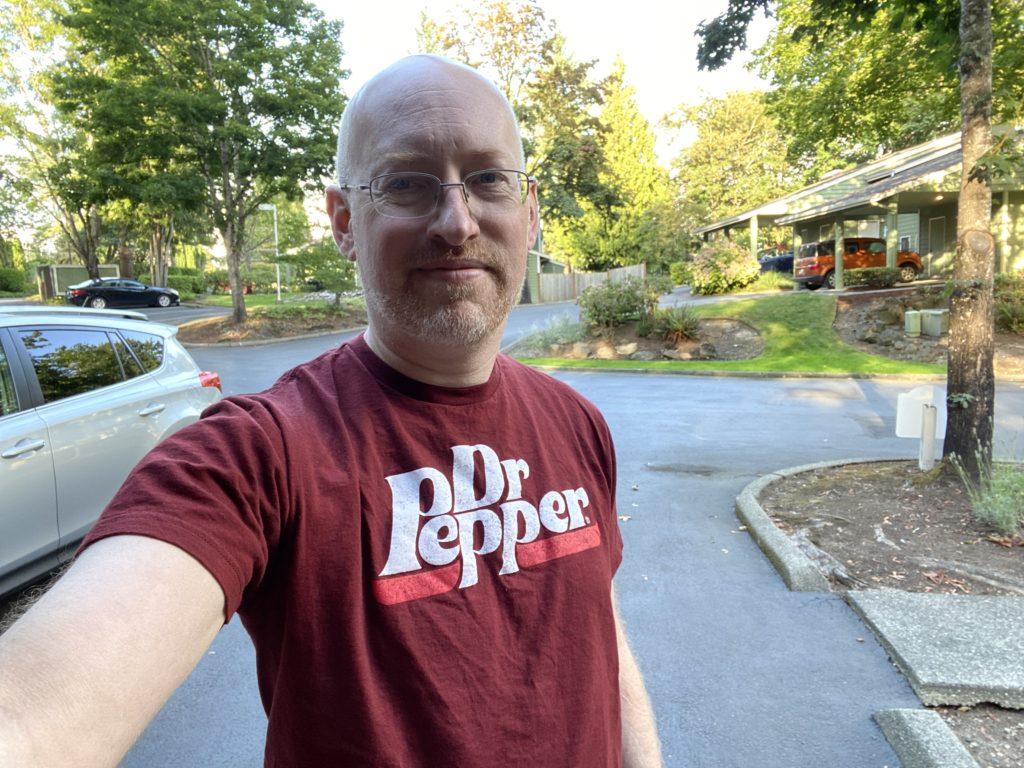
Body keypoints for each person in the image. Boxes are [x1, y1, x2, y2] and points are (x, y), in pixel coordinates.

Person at [0, 55, 663, 767]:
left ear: (528, 213)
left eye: (488, 179)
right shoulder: (261, 455)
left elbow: (601, 631)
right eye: (407, 183)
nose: (456, 221)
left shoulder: (576, 423)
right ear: (345, 222)